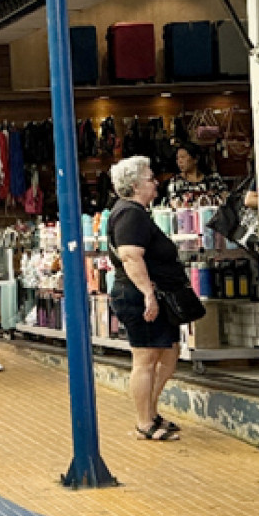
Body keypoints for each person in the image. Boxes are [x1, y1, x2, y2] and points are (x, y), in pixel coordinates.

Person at [108, 155, 185, 442]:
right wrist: (148, 294)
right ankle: (144, 422)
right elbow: (130, 256)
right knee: (146, 358)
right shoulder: (130, 214)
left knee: (169, 351)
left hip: (154, 292)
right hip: (137, 294)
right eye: (150, 178)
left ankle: (151, 412)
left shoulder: (136, 212)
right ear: (135, 185)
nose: (156, 183)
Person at [163, 143, 228, 209]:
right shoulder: (176, 182)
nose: (179, 161)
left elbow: (225, 198)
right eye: (177, 158)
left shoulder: (213, 178)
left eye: (182, 157)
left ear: (195, 159)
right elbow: (174, 204)